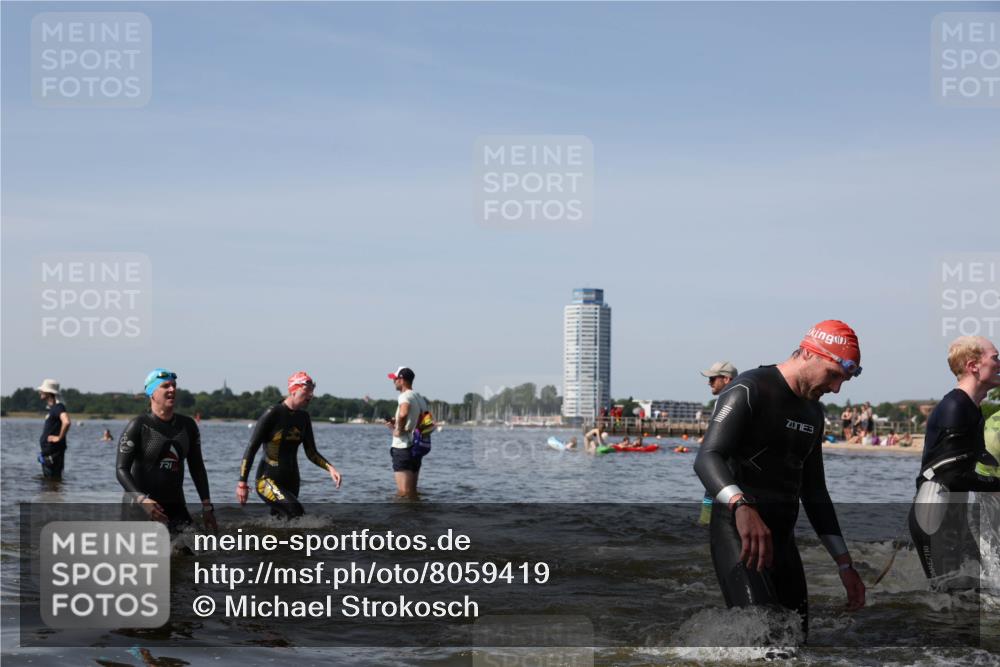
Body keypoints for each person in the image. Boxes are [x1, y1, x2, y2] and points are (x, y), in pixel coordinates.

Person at [694, 320, 866, 637]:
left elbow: (815, 492)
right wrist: (741, 506)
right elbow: (707, 457)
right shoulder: (749, 389)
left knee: (796, 641)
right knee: (764, 640)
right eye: (833, 375)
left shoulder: (814, 413)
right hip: (739, 531)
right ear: (810, 353)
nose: (836, 389)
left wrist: (845, 564)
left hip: (782, 540)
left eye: (843, 380)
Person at [908, 336, 1000, 587]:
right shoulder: (955, 407)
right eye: (995, 358)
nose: (999, 364)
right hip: (932, 512)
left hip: (952, 511)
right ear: (973, 365)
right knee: (946, 599)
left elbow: (977, 460)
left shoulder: (972, 407)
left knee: (974, 592)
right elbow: (953, 476)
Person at [116, 369, 216, 534]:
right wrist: (142, 499)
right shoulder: (139, 425)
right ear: (152, 393)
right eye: (165, 386)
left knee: (201, 545)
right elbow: (121, 469)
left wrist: (207, 506)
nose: (172, 389)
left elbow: (197, 467)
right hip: (140, 508)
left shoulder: (188, 426)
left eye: (174, 385)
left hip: (176, 506)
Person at [236, 372, 342, 519]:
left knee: (282, 523)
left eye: (312, 391)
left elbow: (311, 452)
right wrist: (242, 483)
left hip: (292, 481)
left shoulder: (303, 417)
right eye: (307, 390)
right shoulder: (273, 413)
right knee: (296, 511)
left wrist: (330, 468)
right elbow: (252, 448)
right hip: (266, 481)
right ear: (293, 390)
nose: (311, 395)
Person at [697, 362, 739, 525]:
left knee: (712, 494)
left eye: (713, 379)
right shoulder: (724, 399)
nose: (709, 383)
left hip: (727, 461)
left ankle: (706, 525)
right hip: (725, 460)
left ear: (726, 379)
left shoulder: (730, 399)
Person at [385, 367, 430, 497]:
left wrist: (398, 430)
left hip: (403, 448)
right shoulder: (419, 397)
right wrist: (397, 423)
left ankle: (404, 511)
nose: (393, 382)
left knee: (403, 494)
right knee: (412, 493)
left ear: (402, 380)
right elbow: (426, 422)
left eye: (395, 379)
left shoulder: (404, 396)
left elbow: (404, 413)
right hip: (416, 449)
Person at [37, 379, 71, 479]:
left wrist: (59, 437)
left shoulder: (58, 407)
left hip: (53, 456)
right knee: (51, 484)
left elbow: (67, 422)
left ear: (48, 393)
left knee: (52, 483)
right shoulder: (54, 408)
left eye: (42, 390)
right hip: (49, 455)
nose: (40, 392)